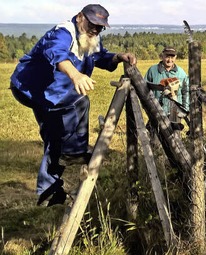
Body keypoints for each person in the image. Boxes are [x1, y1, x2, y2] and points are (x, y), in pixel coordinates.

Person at [9, 4, 136, 206]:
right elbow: (57, 54)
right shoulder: (63, 32)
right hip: (32, 89)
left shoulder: (90, 38)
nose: (96, 29)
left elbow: (98, 56)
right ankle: (74, 151)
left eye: (100, 26)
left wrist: (118, 57)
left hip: (51, 94)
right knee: (80, 102)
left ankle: (49, 191)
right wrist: (75, 74)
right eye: (93, 23)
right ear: (80, 17)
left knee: (55, 136)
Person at [145, 46, 189, 128]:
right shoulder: (152, 71)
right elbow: (144, 90)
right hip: (156, 110)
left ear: (175, 57)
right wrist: (148, 108)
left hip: (175, 111)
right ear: (162, 56)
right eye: (167, 56)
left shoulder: (180, 72)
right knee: (156, 136)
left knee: (175, 137)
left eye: (172, 57)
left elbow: (186, 91)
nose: (170, 60)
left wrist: (185, 109)